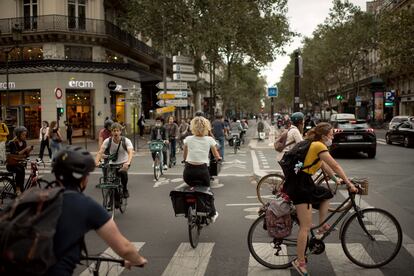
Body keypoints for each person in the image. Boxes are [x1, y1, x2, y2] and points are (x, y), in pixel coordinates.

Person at [46, 146, 147, 275]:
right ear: (83, 178)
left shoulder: (33, 197)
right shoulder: (84, 205)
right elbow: (124, 248)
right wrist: (138, 260)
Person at [284, 122, 358, 275]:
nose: (332, 137)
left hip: (304, 182)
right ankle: (300, 262)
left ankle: (322, 226)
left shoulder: (313, 144)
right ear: (324, 136)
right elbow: (335, 165)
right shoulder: (318, 146)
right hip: (300, 186)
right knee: (305, 226)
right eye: (331, 134)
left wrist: (336, 180)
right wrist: (349, 184)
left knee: (326, 194)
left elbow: (324, 165)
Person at [182, 116, 221, 222]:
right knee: (207, 192)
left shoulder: (188, 139)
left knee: (190, 188)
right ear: (206, 128)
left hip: (188, 172)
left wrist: (186, 160)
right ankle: (212, 213)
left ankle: (188, 210)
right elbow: (216, 155)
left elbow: (184, 156)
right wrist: (218, 158)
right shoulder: (209, 140)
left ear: (192, 127)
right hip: (202, 172)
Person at [95, 122, 134, 198]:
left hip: (124, 162)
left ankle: (125, 189)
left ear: (120, 131)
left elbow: (130, 152)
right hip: (112, 163)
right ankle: (115, 197)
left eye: (117, 130)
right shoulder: (107, 141)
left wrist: (128, 162)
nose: (116, 132)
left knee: (123, 173)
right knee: (112, 181)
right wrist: (96, 162)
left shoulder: (126, 141)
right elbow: (100, 152)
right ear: (111, 132)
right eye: (114, 131)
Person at [6, 126, 33, 194]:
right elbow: (15, 154)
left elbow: (26, 155)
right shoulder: (12, 143)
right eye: (23, 135)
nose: (24, 136)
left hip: (19, 164)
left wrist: (29, 150)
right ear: (18, 135)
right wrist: (25, 149)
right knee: (19, 170)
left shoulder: (24, 142)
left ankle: (21, 187)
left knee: (22, 170)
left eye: (25, 134)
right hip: (11, 164)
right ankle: (18, 189)